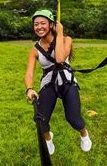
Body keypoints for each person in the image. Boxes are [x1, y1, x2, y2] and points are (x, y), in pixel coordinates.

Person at [24, 9, 92, 155]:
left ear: (51, 25)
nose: (39, 27)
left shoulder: (66, 40)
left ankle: (84, 134)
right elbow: (29, 72)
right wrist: (29, 88)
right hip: (49, 84)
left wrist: (59, 33)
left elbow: (60, 59)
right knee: (40, 121)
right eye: (36, 24)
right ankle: (48, 139)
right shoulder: (34, 50)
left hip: (67, 82)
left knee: (74, 119)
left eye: (43, 23)